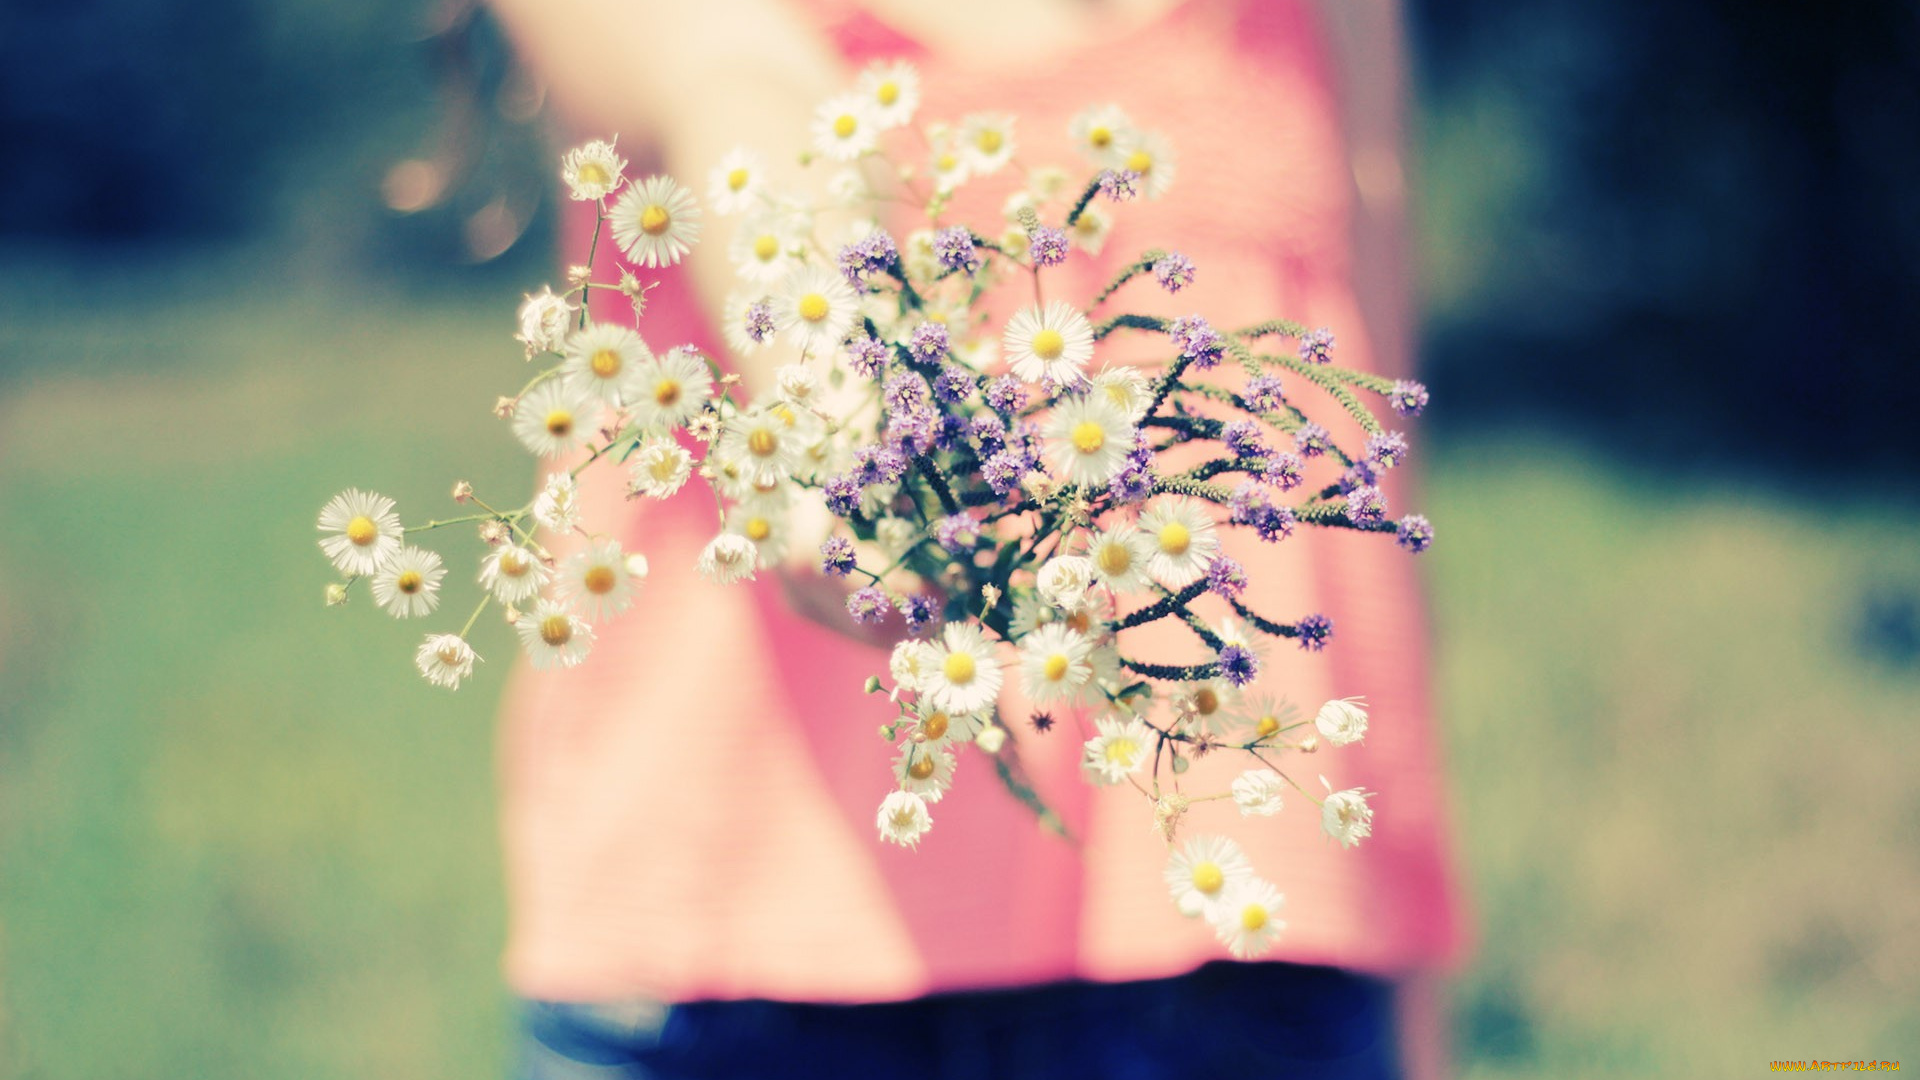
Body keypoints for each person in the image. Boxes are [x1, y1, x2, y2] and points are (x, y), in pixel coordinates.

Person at [482, 0, 1464, 1075]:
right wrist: (834, 412)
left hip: (1244, 955)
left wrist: (1407, 943)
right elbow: (741, 85)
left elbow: (1375, 467)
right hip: (731, 972)